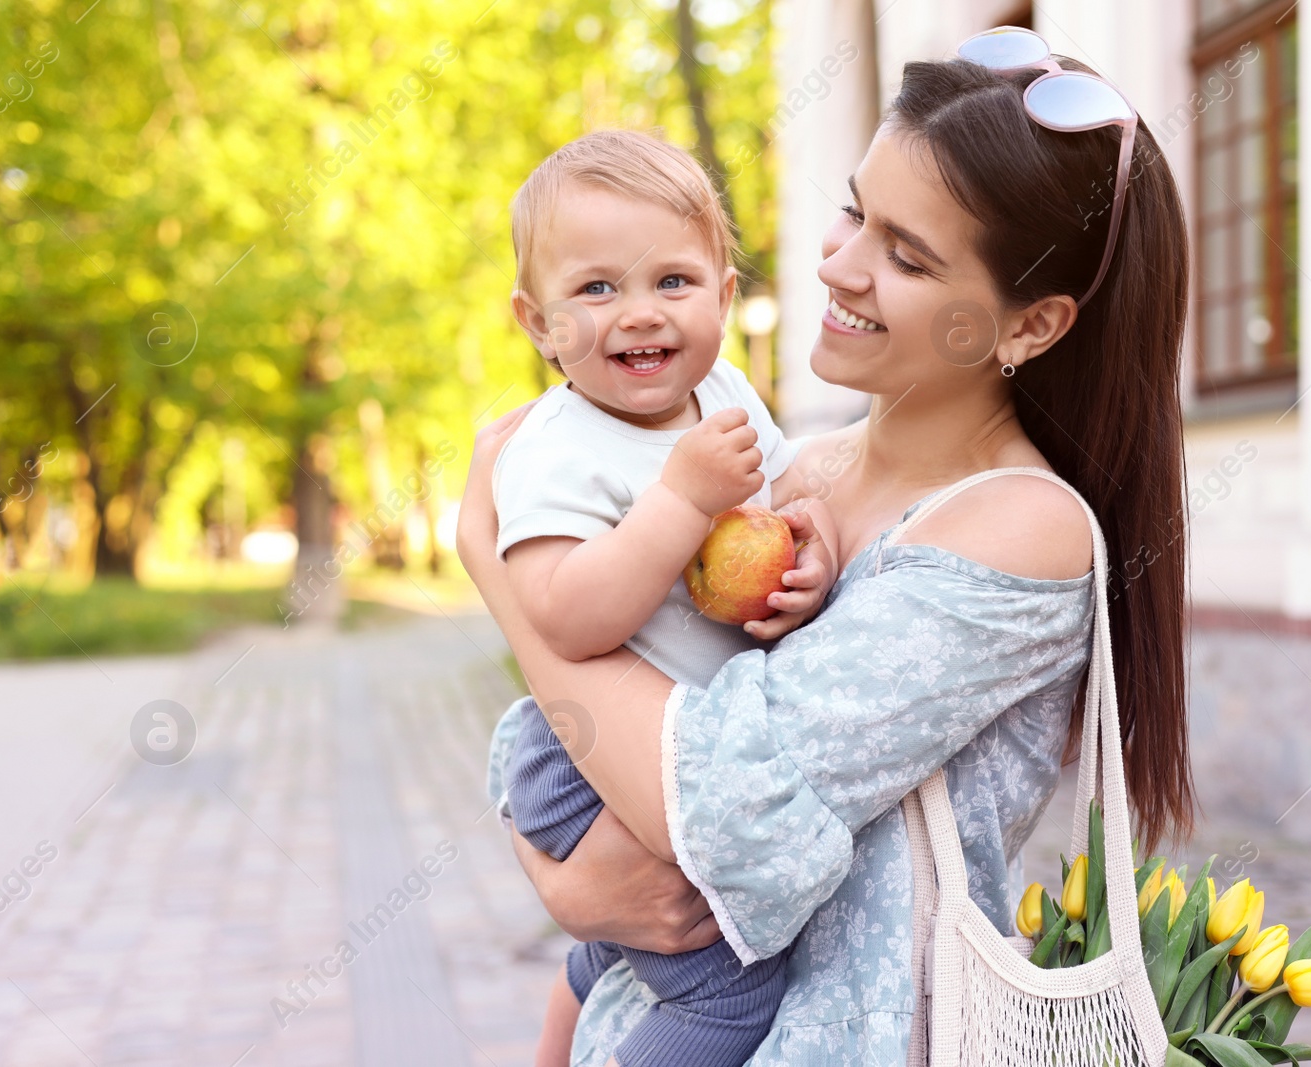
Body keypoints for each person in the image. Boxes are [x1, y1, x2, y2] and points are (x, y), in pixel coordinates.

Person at [460, 48, 1196, 1066]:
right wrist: (566, 880)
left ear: (1029, 324)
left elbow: (710, 808)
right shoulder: (791, 471)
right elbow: (602, 774)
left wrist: (499, 570)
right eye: (856, 212)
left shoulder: (1019, 529)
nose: (836, 264)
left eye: (907, 255)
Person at [494, 129, 840, 1067]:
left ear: (725, 297)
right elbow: (564, 614)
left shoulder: (723, 392)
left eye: (673, 283)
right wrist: (680, 501)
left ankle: (561, 1030)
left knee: (629, 930)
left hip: (674, 743)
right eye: (597, 288)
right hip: (578, 757)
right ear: (539, 323)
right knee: (730, 988)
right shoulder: (555, 448)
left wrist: (808, 559)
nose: (639, 315)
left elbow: (786, 504)